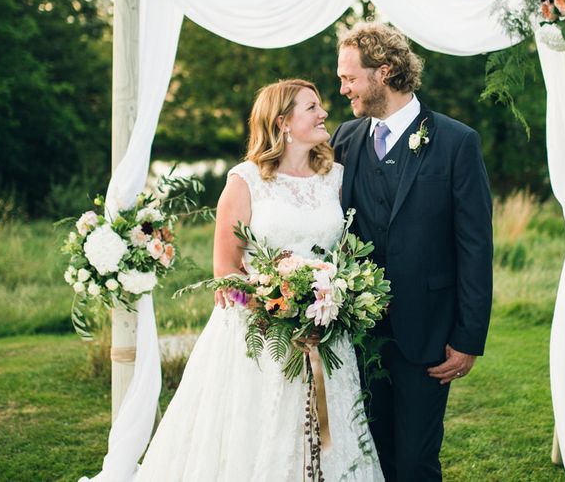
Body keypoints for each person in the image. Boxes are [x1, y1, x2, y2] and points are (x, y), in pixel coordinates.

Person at [136, 79, 383, 482]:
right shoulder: (245, 180)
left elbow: (349, 250)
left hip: (325, 330)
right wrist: (275, 306)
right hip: (260, 338)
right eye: (312, 107)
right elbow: (225, 272)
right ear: (283, 122)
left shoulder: (336, 177)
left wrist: (332, 297)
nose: (324, 114)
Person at [331, 23, 493, 482]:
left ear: (383, 72)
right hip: (356, 335)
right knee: (368, 456)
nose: (343, 90)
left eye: (350, 78)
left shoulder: (457, 142)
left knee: (416, 462)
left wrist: (468, 337)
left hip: (427, 336)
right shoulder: (345, 139)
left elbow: (476, 247)